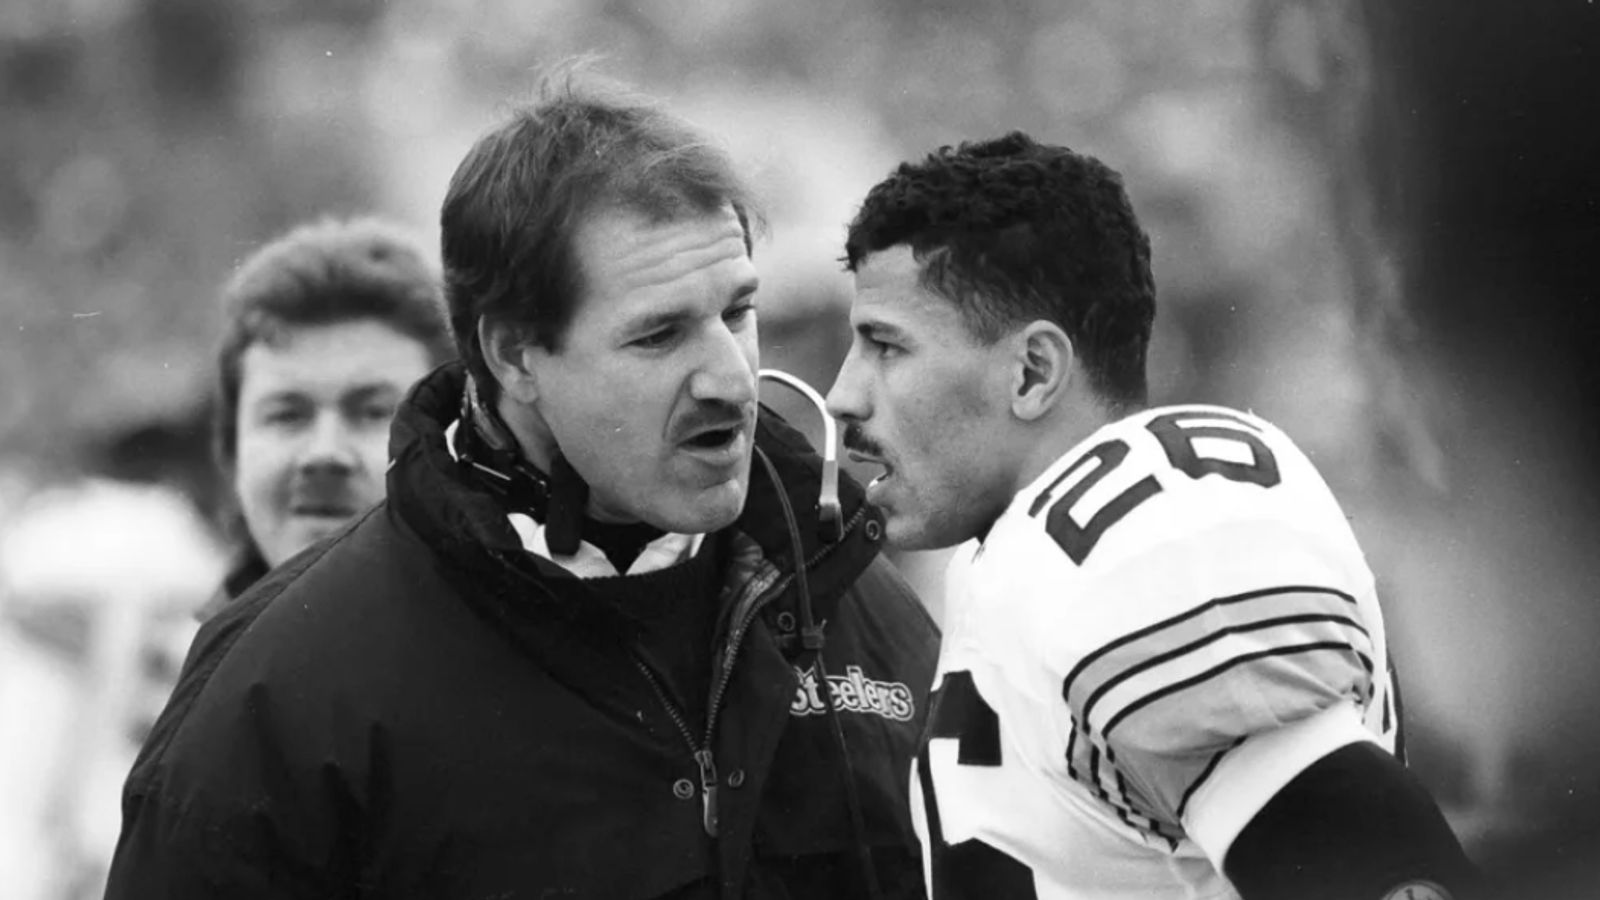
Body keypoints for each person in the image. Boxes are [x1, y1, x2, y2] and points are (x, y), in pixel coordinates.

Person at [105, 75, 938, 900]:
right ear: (512, 355)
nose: (730, 377)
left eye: (738, 312)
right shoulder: (281, 691)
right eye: (658, 335)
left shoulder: (855, 600)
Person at [824, 132, 1479, 900]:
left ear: (1032, 371)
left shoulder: (1145, 538)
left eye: (886, 347)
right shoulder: (1018, 555)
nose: (844, 394)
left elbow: (1386, 877)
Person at [196, 215, 455, 619]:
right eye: (286, 415)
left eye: (372, 412)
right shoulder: (187, 677)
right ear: (232, 454)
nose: (325, 453)